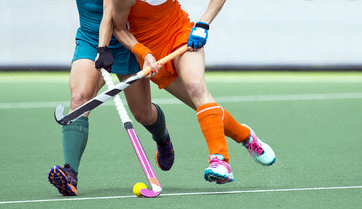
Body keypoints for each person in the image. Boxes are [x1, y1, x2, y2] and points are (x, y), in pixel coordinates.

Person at [97, 0, 276, 185]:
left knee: (197, 88)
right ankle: (246, 136)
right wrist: (144, 53)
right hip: (154, 55)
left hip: (180, 34)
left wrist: (203, 24)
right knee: (202, 106)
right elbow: (119, 29)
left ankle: (220, 161)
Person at [48, 0, 175, 196]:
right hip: (91, 39)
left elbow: (110, 11)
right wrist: (99, 48)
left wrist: (104, 49)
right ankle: (70, 174)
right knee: (80, 98)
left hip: (127, 41)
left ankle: (162, 138)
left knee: (143, 114)